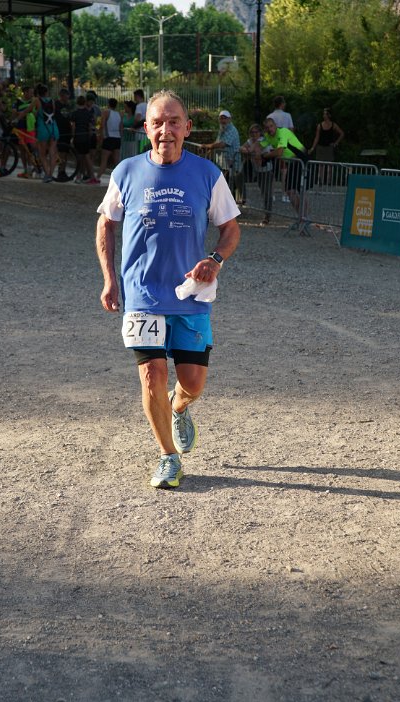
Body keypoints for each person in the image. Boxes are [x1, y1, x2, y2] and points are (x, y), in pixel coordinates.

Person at [96, 90, 241, 490]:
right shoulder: (126, 172)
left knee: (193, 383)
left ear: (187, 128)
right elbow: (106, 224)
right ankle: (167, 457)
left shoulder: (207, 174)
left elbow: (230, 228)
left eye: (174, 122)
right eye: (158, 123)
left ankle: (178, 407)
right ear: (145, 129)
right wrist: (110, 279)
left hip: (190, 295)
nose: (166, 131)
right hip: (142, 295)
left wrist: (215, 259)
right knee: (151, 376)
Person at [262, 117, 310, 221]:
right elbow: (260, 145)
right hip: (292, 162)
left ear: (275, 125)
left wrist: (265, 156)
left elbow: (279, 152)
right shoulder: (268, 136)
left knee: (301, 190)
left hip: (301, 159)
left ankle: (304, 217)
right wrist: (248, 148)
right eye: (267, 127)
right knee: (290, 191)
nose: (270, 129)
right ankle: (302, 217)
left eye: (271, 126)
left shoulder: (282, 132)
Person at [236, 123, 274, 225]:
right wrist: (246, 150)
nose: (254, 134)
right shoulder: (250, 141)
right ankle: (243, 198)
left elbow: (251, 149)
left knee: (266, 193)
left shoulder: (262, 140)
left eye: (256, 132)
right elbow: (241, 148)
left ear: (260, 133)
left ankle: (267, 216)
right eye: (252, 132)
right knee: (239, 176)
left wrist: (247, 151)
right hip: (257, 170)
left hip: (266, 170)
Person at [200, 110, 241, 186]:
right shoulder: (222, 129)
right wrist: (209, 150)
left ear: (229, 119)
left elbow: (222, 144)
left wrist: (207, 146)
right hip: (224, 163)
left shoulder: (231, 130)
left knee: (229, 185)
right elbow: (217, 143)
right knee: (224, 184)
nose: (223, 120)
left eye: (225, 118)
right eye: (221, 118)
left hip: (232, 163)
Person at [267, 96, 294, 202]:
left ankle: (272, 194)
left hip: (272, 146)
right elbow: (291, 131)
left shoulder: (270, 116)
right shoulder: (287, 116)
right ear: (282, 104)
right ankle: (284, 194)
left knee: (273, 171)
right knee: (284, 171)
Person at [309, 108, 345, 185]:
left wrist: (336, 143)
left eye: (325, 114)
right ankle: (320, 182)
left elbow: (342, 133)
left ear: (329, 115)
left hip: (329, 148)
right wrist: (312, 148)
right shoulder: (320, 125)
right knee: (320, 166)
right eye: (323, 114)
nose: (323, 115)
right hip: (321, 147)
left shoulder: (333, 125)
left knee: (330, 166)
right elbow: (317, 138)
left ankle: (329, 182)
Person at [32, 83, 59, 183]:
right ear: (46, 92)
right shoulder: (52, 101)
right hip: (53, 128)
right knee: (52, 152)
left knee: (42, 154)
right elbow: (54, 113)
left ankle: (47, 174)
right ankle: (50, 174)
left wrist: (17, 118)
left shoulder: (36, 100)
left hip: (43, 129)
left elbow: (27, 111)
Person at [12, 85, 37, 178]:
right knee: (22, 149)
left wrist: (22, 113)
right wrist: (24, 113)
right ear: (25, 92)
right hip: (20, 127)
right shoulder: (17, 101)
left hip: (30, 127)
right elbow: (14, 112)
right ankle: (25, 169)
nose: (32, 94)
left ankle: (30, 169)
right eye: (30, 92)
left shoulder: (33, 101)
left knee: (30, 149)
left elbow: (35, 113)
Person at [70, 95, 95, 184]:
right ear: (85, 102)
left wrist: (72, 137)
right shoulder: (88, 113)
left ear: (77, 103)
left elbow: (73, 126)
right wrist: (89, 136)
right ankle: (92, 176)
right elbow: (90, 127)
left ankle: (78, 176)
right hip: (86, 137)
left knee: (78, 158)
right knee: (87, 157)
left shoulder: (74, 113)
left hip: (78, 137)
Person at [97, 97, 122, 181]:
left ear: (108, 104)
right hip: (117, 138)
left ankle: (97, 177)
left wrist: (100, 136)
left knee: (104, 160)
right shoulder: (119, 114)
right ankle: (120, 179)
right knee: (116, 161)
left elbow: (102, 125)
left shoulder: (106, 112)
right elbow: (121, 127)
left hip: (108, 138)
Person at [85, 91, 101, 182]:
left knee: (92, 155)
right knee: (86, 155)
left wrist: (97, 131)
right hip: (85, 134)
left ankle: (89, 173)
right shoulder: (84, 108)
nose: (91, 103)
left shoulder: (97, 109)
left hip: (93, 133)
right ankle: (86, 173)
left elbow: (98, 122)